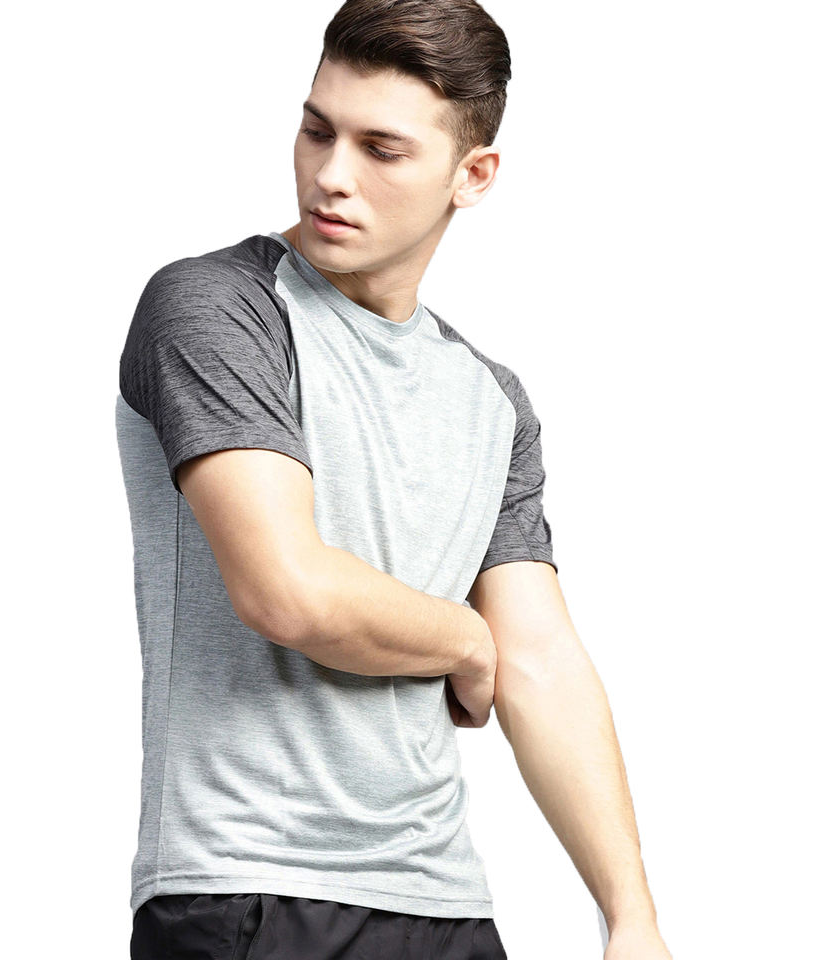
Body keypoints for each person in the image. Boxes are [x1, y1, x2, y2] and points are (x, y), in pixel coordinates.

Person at [116, 1, 672, 958]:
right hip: (250, 888)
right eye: (317, 130)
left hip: (444, 898)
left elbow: (540, 659)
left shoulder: (492, 399)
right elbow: (288, 591)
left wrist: (633, 918)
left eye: (382, 149)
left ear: (472, 175)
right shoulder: (217, 308)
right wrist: (465, 637)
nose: (332, 174)